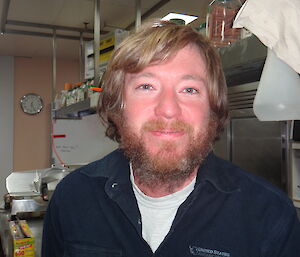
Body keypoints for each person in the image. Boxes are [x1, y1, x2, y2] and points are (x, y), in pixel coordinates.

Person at [42, 20, 300, 257]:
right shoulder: (72, 199)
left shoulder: (270, 215)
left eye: (189, 89)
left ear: (212, 109)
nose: (168, 109)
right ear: (118, 105)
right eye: (146, 86)